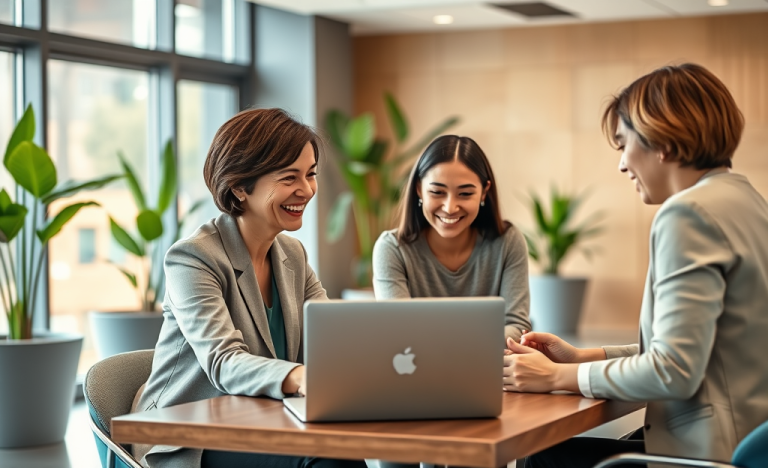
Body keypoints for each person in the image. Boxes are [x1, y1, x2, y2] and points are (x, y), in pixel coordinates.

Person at [504, 63, 768, 468]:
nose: (623, 165)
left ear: (660, 142)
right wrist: (581, 358)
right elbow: (703, 348)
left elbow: (674, 370)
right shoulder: (749, 203)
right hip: (746, 438)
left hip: (708, 453)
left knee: (542, 457)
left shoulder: (688, 214)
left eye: (624, 144)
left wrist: (555, 377)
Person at [129, 108, 367, 468]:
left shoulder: (292, 254)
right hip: (191, 436)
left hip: (266, 420)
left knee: (341, 450)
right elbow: (224, 362)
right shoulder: (193, 258)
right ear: (240, 186)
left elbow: (333, 334)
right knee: (327, 458)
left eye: (311, 174)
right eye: (290, 178)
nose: (306, 190)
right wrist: (301, 375)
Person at [372, 134, 532, 342]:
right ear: (419, 189)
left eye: (465, 194)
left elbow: (517, 326)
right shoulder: (392, 248)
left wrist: (446, 343)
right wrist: (475, 341)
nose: (450, 208)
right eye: (437, 192)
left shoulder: (508, 241)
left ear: (484, 193)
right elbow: (398, 331)